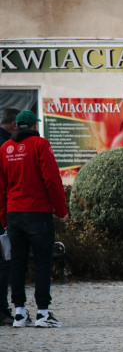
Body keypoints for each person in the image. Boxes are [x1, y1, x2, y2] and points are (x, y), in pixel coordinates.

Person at [0, 110, 68, 328]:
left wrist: (3, 217)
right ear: (32, 126)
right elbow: (52, 178)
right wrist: (61, 210)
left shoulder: (4, 149)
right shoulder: (40, 144)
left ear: (17, 125)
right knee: (42, 262)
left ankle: (19, 313)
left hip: (14, 214)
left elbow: (1, 188)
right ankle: (43, 313)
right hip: (38, 213)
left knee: (17, 263)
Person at [0, 108, 19, 324]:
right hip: (4, 211)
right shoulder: (5, 146)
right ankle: (3, 310)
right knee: (5, 261)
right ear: (14, 125)